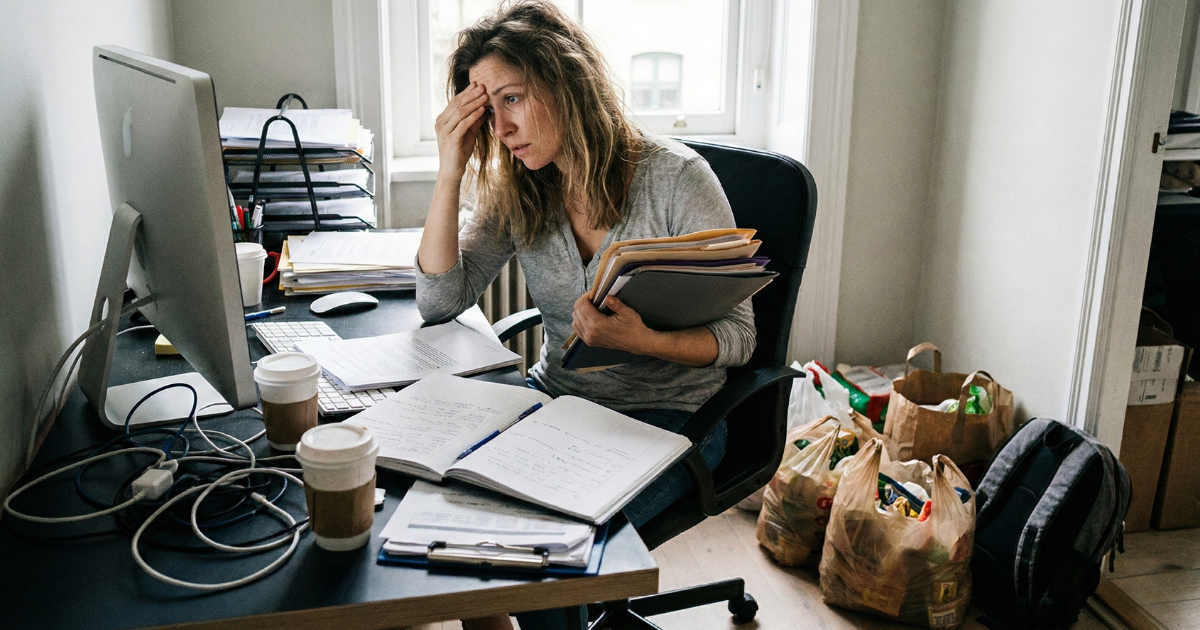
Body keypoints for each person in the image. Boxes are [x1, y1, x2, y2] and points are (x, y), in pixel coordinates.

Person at [414, 2, 755, 628]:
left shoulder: (677, 180)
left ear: (566, 82)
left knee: (549, 555)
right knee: (460, 518)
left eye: (513, 99)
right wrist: (451, 169)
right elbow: (440, 301)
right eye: (488, 113)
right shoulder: (520, 187)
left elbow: (740, 337)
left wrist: (646, 340)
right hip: (559, 405)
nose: (503, 129)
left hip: (676, 417)